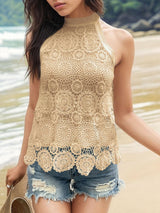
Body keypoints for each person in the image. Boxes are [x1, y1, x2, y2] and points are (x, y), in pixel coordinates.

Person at [5, 0, 160, 213]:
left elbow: (125, 114)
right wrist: (22, 165)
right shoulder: (37, 39)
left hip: (98, 165)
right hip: (46, 163)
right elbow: (34, 107)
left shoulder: (121, 40)